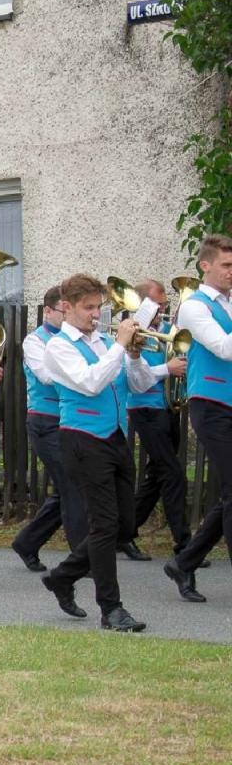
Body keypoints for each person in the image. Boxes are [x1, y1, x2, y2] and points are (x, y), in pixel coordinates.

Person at [39, 273, 156, 629]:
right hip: (82, 438)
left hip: (115, 437)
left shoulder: (106, 342)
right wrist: (120, 347)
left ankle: (62, 576)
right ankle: (111, 609)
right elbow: (90, 383)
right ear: (67, 307)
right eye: (88, 308)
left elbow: (141, 384)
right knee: (104, 525)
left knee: (124, 525)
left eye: (98, 307)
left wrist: (133, 356)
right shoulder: (56, 347)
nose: (95, 314)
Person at [168, 234, 232, 602]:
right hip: (210, 405)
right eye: (225, 265)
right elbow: (223, 347)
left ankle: (184, 562)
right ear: (205, 266)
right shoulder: (195, 306)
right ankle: (185, 562)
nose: (230, 272)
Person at [10, 286, 80, 571]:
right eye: (64, 311)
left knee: (69, 487)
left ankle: (28, 542)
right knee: (72, 486)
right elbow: (47, 376)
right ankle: (82, 557)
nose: (68, 317)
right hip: (45, 421)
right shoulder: (35, 341)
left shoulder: (76, 339)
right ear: (48, 311)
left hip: (70, 419)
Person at [120, 278, 190, 562]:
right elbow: (135, 376)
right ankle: (185, 545)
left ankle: (123, 534)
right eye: (158, 304)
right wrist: (168, 368)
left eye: (164, 304)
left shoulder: (163, 330)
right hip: (145, 409)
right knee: (173, 475)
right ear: (144, 303)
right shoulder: (133, 331)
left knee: (157, 477)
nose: (163, 308)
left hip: (166, 408)